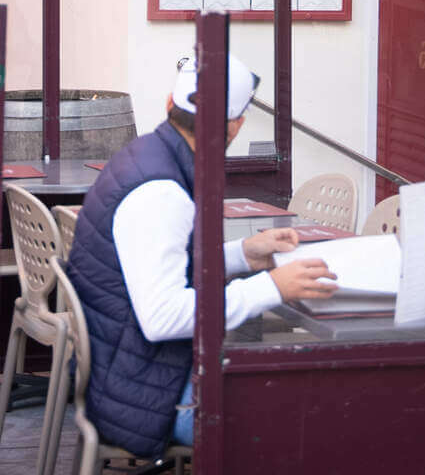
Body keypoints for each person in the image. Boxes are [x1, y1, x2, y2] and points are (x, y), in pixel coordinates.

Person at [65, 52, 338, 457]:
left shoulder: (146, 157)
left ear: (169, 104)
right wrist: (270, 287)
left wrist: (243, 255)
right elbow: (162, 318)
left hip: (124, 376)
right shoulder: (162, 193)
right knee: (310, 414)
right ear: (235, 126)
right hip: (148, 398)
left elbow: (162, 264)